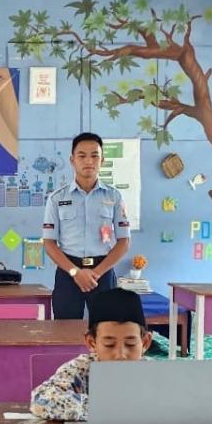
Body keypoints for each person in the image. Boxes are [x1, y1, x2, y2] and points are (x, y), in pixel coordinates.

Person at [31, 288, 212, 420]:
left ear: (145, 342)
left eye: (131, 344)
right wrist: (119, 408)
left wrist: (160, 407)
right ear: (92, 342)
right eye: (109, 344)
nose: (120, 354)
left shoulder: (156, 372)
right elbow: (41, 400)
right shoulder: (81, 370)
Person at [42, 132, 130, 320]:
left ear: (102, 160)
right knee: (64, 328)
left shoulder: (114, 196)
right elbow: (49, 243)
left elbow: (124, 241)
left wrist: (96, 273)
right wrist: (75, 272)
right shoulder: (57, 198)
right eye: (82, 156)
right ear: (72, 160)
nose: (88, 161)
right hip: (68, 271)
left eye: (94, 156)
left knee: (107, 326)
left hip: (103, 272)